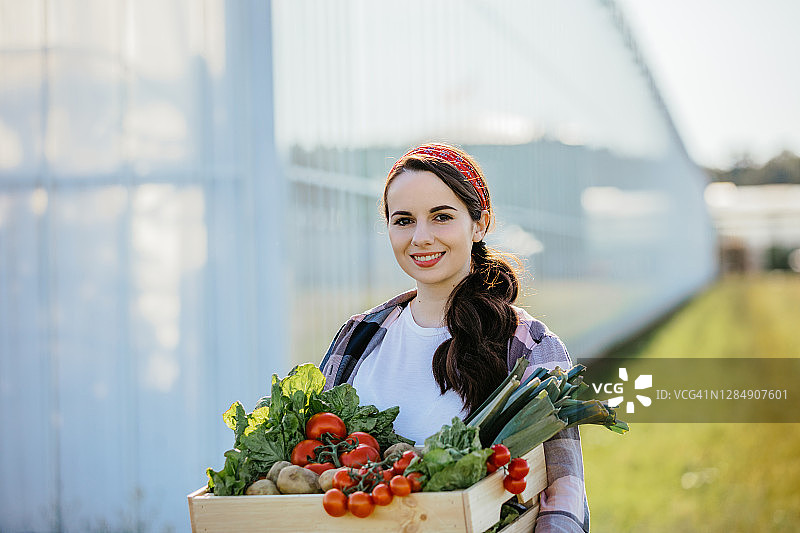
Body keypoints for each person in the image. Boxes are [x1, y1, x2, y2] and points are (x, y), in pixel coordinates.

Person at [319, 143, 589, 532]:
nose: (421, 237)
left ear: (480, 224)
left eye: (441, 217)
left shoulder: (530, 346)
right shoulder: (358, 335)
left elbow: (564, 490)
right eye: (404, 220)